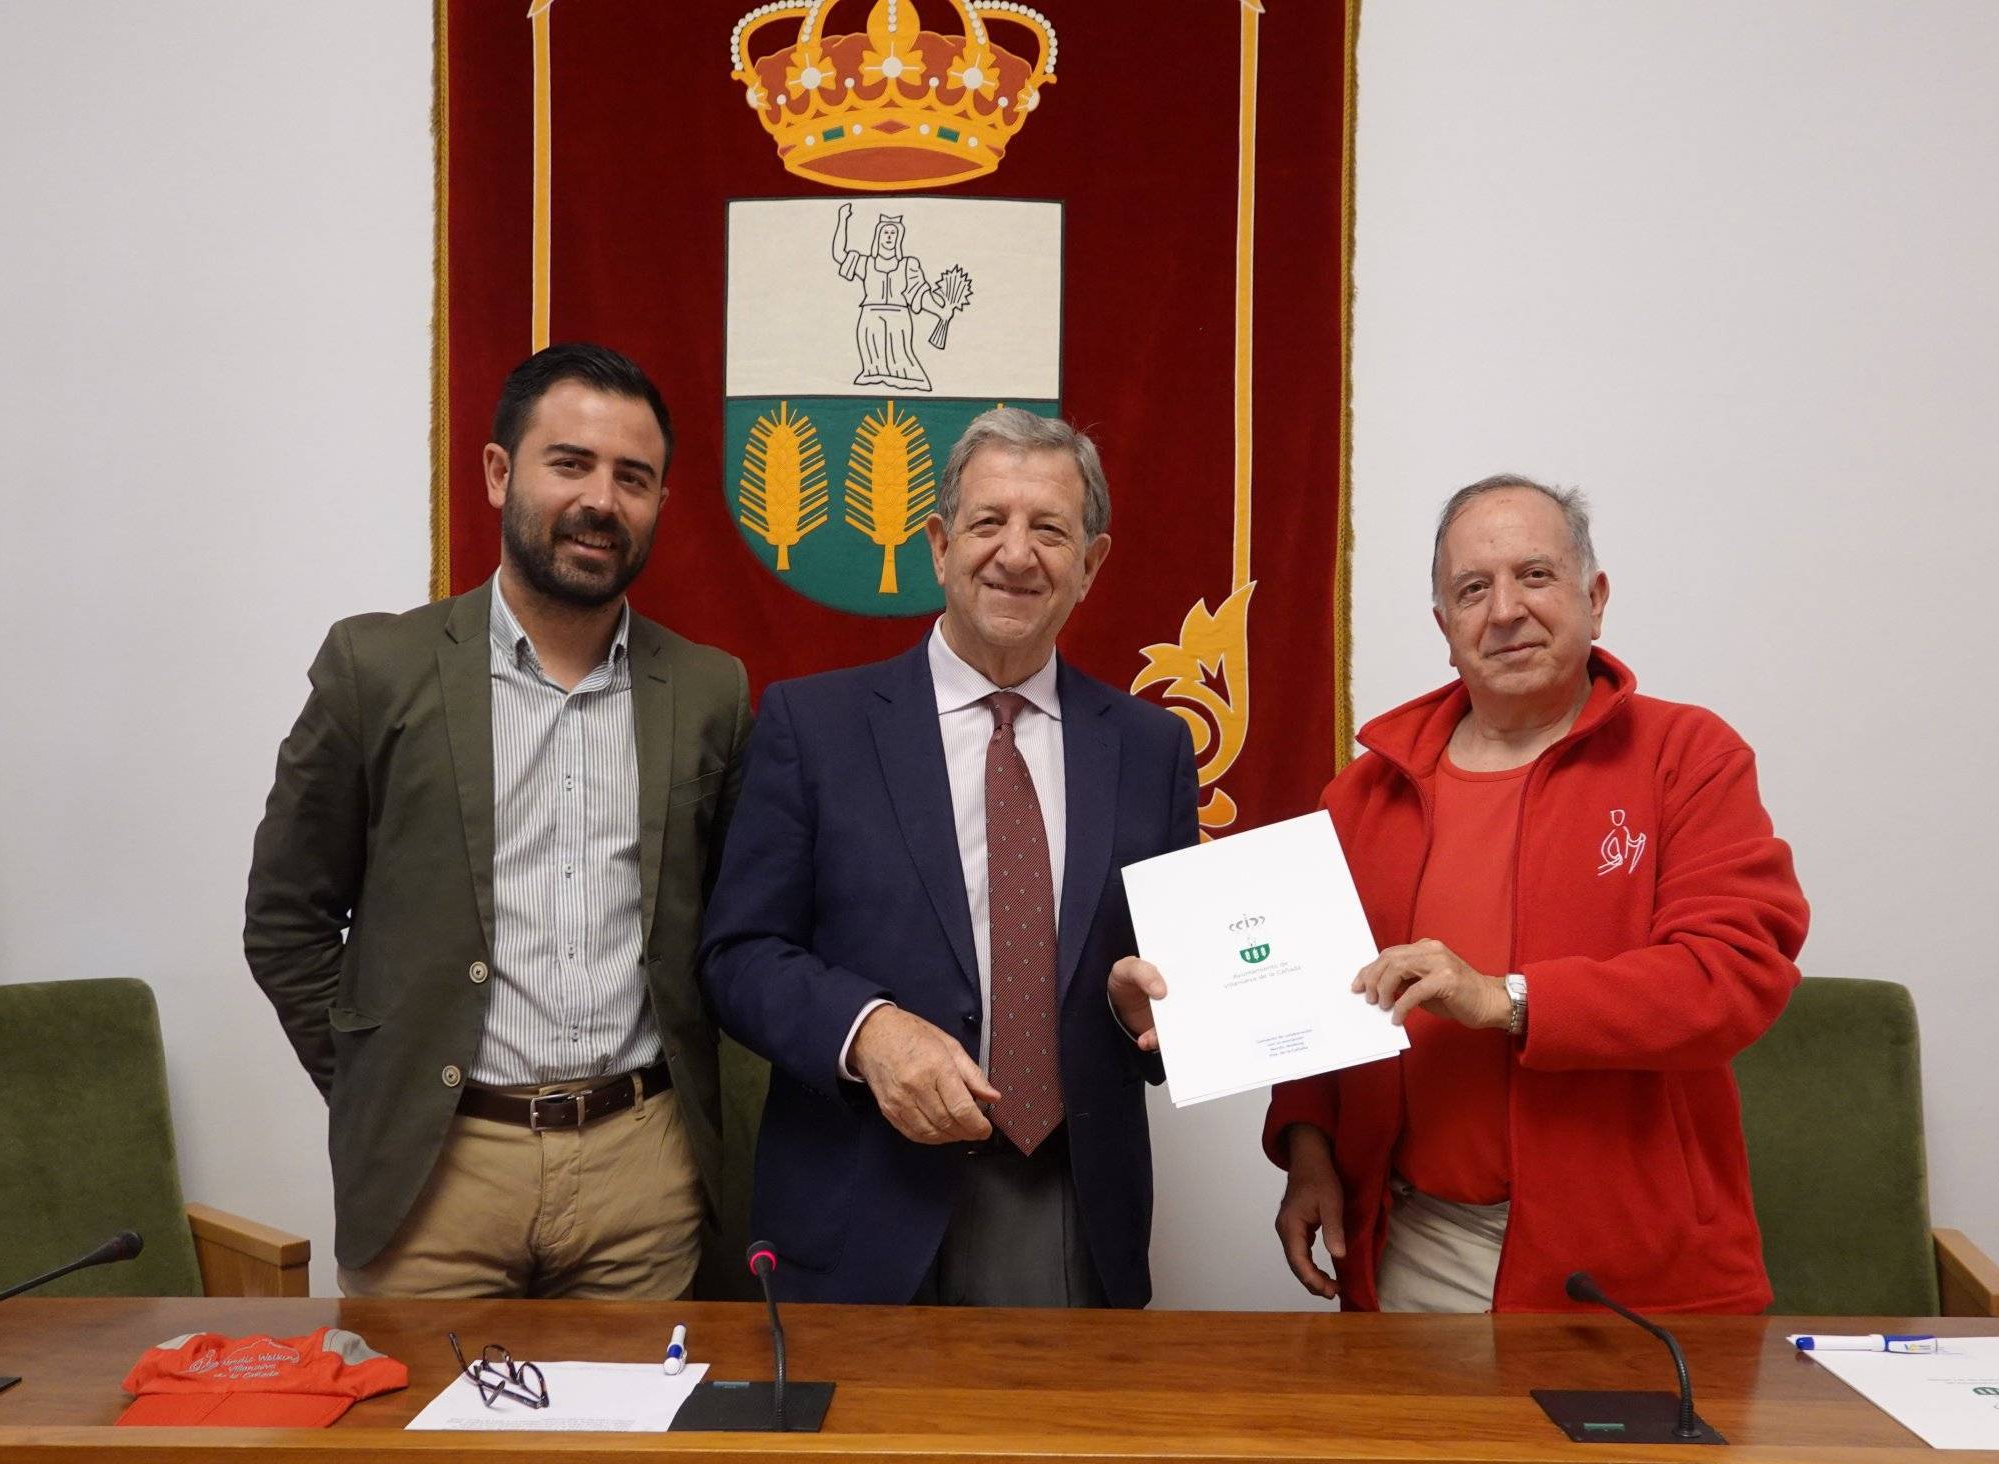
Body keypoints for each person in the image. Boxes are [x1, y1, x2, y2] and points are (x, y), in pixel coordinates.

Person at [245, 343, 751, 1300]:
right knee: (428, 1451)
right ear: (497, 472)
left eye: (632, 477)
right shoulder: (375, 669)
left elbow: (734, 934)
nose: (601, 498)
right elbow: (285, 919)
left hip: (639, 1177)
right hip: (437, 1183)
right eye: (570, 463)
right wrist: (384, 1084)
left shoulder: (709, 691)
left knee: (629, 1450)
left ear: (658, 506)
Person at [1266, 475, 1808, 1313]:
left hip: (1634, 1263)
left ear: (1594, 597)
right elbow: (1311, 1008)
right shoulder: (1361, 796)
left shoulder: (1687, 756)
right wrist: (1308, 1149)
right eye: (1473, 589)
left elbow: (1735, 975)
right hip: (1416, 1243)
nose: (1506, 609)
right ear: (1445, 628)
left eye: (1535, 575)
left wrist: (1505, 997)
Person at [699, 408, 1197, 1307]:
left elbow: (1175, 1006)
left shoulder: (1151, 750)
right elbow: (737, 958)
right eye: (987, 522)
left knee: (1045, 1451)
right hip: (854, 1202)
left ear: (1092, 565)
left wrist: (1144, 1015)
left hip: (1062, 1207)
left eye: (1050, 529)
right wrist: (867, 1028)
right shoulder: (814, 727)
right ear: (936, 544)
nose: (1016, 553)